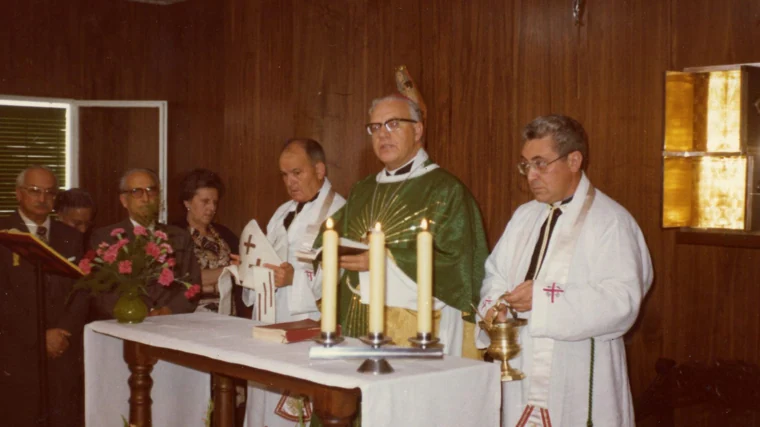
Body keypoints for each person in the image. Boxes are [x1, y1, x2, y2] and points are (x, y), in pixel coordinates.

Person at [476, 115, 653, 427]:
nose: (531, 175)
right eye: (525, 164)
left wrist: (541, 300)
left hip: (577, 374)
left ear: (574, 160)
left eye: (541, 163)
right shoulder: (524, 216)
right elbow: (496, 274)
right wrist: (496, 309)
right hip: (521, 368)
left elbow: (622, 302)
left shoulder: (611, 222)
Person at [323, 94, 488, 358]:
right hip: (358, 320)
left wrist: (382, 262)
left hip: (420, 329)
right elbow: (330, 242)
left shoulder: (446, 190)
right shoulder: (363, 189)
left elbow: (460, 271)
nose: (382, 135)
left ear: (418, 129)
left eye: (393, 124)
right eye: (375, 127)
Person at [244, 138, 346, 427]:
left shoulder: (338, 213)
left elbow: (339, 275)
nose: (289, 182)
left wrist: (294, 279)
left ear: (320, 170)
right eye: (284, 175)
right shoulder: (283, 212)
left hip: (304, 323)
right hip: (269, 317)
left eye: (296, 173)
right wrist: (248, 268)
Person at [0, 166, 89, 427]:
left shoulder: (71, 236)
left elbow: (83, 290)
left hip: (63, 349)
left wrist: (62, 330)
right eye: (34, 191)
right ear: (19, 193)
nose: (42, 198)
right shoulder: (3, 233)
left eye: (49, 192)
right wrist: (40, 336)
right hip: (17, 353)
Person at [89, 168, 200, 319]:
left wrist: (169, 310)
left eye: (151, 191)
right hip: (126, 322)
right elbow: (100, 291)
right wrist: (136, 311)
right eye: (136, 192)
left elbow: (192, 284)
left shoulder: (179, 236)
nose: (146, 198)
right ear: (124, 200)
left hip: (171, 322)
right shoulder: (105, 238)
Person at [174, 168, 246, 316]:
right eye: (205, 201)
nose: (212, 208)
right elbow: (182, 279)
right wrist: (228, 272)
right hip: (190, 317)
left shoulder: (226, 235)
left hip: (228, 316)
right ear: (187, 202)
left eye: (215, 202)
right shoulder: (174, 235)